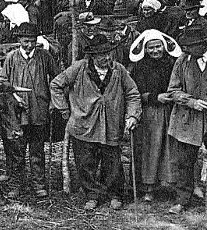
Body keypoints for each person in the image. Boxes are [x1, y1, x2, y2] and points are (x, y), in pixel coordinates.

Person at [50, 34, 141, 210]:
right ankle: (92, 194)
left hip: (111, 124)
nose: (107, 57)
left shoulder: (119, 70)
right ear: (92, 56)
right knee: (85, 163)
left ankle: (115, 194)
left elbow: (133, 94)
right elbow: (56, 85)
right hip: (84, 124)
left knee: (112, 162)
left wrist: (132, 116)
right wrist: (64, 110)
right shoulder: (79, 68)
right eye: (101, 54)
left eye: (109, 53)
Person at [0, 22, 59, 197]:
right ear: (19, 40)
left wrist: (54, 100)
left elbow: (57, 79)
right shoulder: (11, 58)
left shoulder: (44, 57)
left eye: (32, 41)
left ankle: (39, 185)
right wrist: (14, 97)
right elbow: (2, 81)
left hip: (39, 110)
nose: (29, 45)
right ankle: (16, 185)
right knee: (17, 152)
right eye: (25, 41)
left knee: (37, 151)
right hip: (17, 114)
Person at [166, 23, 207, 214]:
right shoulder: (182, 61)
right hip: (188, 117)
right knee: (184, 159)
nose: (188, 50)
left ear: (203, 45)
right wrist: (191, 101)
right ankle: (182, 199)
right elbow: (173, 91)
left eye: (192, 46)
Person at [129, 29, 181, 201]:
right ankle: (148, 188)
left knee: (170, 148)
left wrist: (172, 96)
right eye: (151, 48)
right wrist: (154, 97)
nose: (155, 51)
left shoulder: (173, 63)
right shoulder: (140, 67)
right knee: (150, 149)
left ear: (164, 46)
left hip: (172, 111)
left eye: (158, 46)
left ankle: (171, 184)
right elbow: (135, 92)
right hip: (150, 113)